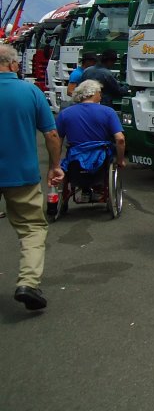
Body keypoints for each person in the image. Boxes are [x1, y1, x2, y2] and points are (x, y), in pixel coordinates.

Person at [0, 43, 63, 311]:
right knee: (32, 228)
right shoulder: (31, 91)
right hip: (22, 174)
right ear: (14, 65)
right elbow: (51, 134)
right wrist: (55, 166)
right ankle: (27, 283)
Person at [55, 79, 126, 200]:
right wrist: (120, 160)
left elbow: (57, 141)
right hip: (101, 159)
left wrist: (55, 164)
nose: (101, 95)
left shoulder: (65, 114)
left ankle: (84, 190)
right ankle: (98, 188)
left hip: (75, 159)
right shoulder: (108, 112)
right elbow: (120, 139)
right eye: (99, 92)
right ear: (93, 93)